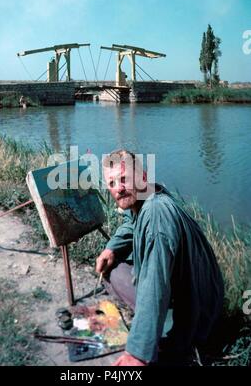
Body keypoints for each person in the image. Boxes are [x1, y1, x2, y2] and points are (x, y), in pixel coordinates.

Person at [96, 150, 224, 366]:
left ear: (143, 177)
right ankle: (153, 324)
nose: (119, 188)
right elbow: (131, 222)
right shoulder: (149, 195)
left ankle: (168, 337)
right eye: (112, 182)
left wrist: (137, 353)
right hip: (207, 298)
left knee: (116, 275)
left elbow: (154, 284)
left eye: (125, 178)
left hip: (199, 318)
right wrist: (112, 248)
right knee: (115, 264)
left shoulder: (155, 214)